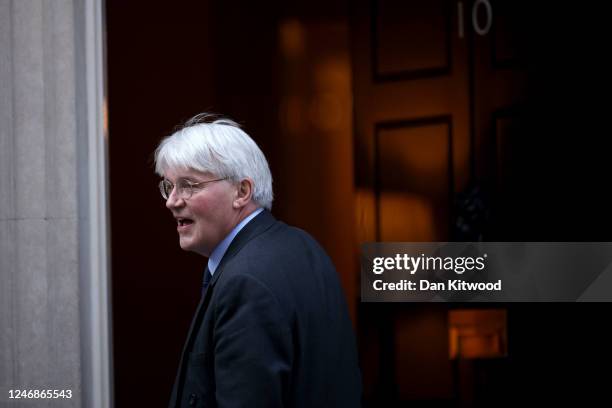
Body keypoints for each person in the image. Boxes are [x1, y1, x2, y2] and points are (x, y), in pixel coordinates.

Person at [154, 113, 362, 408]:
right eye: (169, 186)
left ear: (242, 191)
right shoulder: (303, 244)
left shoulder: (245, 283)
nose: (172, 201)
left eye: (189, 185)